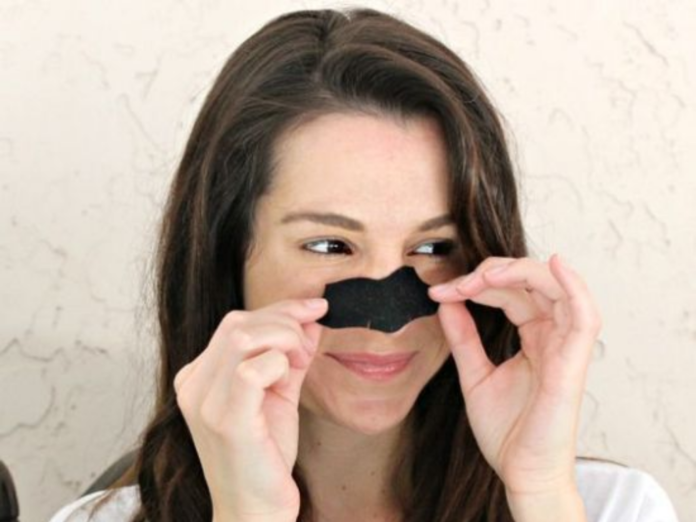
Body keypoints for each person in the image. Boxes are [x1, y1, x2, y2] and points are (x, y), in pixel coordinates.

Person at [49, 6, 680, 522]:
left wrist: (539, 491)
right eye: (330, 245)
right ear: (227, 253)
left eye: (432, 248)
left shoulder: (611, 510)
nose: (386, 317)